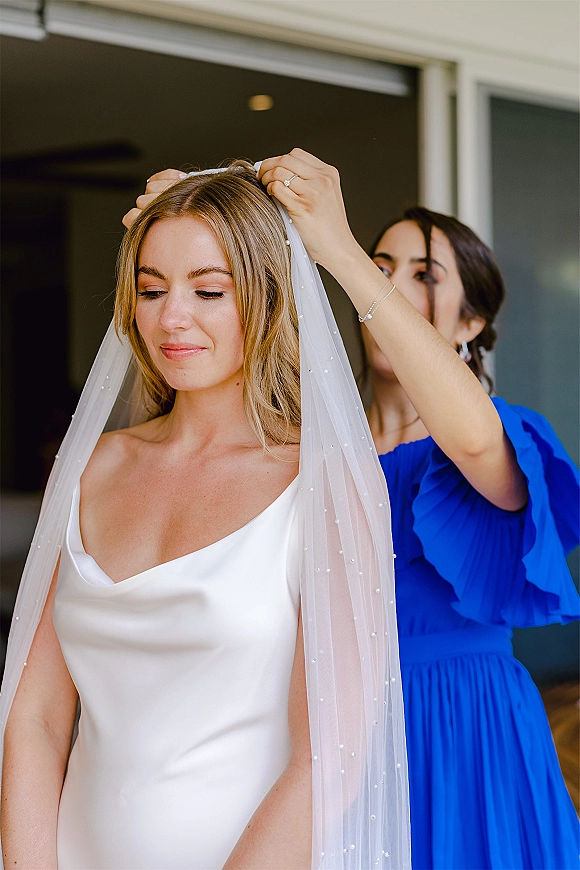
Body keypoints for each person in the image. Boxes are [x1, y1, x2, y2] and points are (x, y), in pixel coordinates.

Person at [129, 150, 579, 869]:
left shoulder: (502, 436)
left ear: (471, 322)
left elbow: (471, 439)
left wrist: (340, 250)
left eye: (423, 275)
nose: (392, 284)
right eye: (381, 265)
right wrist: (186, 230)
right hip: (326, 741)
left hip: (463, 731)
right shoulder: (302, 448)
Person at [0, 159, 410, 870]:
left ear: (269, 297)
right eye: (151, 289)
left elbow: (331, 757)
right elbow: (34, 717)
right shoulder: (93, 466)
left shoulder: (323, 484)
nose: (171, 318)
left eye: (209, 290)